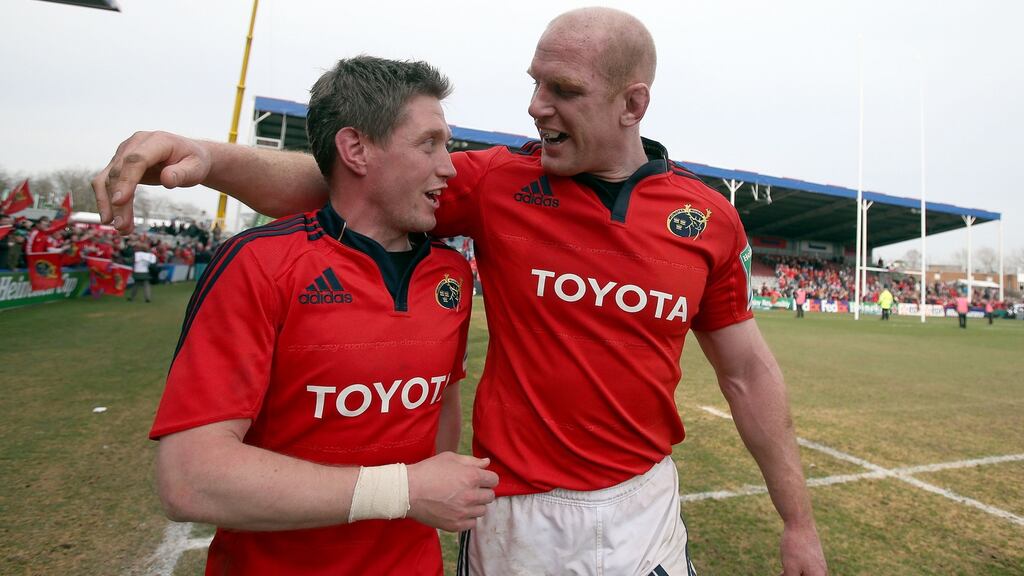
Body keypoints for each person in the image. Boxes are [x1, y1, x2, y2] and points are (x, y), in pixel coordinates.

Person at [93, 9, 827, 575]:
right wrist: (210, 158)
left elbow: (747, 372)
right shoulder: (502, 182)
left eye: (564, 91)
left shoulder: (708, 220)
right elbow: (353, 183)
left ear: (632, 105)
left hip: (642, 504)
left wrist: (799, 522)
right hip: (511, 508)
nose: (536, 107)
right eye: (535, 82)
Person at [140, 57, 498, 574]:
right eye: (429, 143)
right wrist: (403, 490)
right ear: (355, 149)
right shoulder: (260, 264)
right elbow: (191, 478)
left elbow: (440, 406)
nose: (449, 165)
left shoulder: (450, 275)